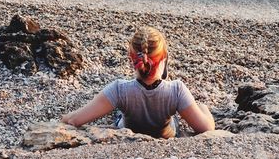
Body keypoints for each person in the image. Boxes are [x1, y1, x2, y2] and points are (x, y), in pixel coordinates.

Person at [61, 26, 215, 138]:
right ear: (164, 59)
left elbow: (74, 120)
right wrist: (203, 108)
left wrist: (64, 119)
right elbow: (206, 128)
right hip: (166, 135)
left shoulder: (119, 89)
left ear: (131, 59)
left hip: (128, 128)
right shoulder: (176, 90)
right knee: (176, 117)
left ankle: (119, 109)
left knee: (119, 111)